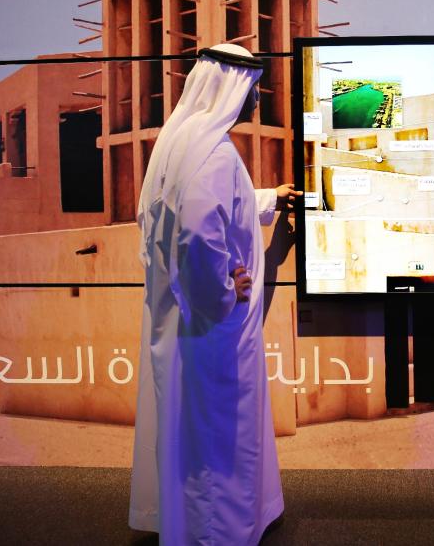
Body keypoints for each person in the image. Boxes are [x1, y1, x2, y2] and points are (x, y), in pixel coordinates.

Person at [129, 43, 302, 544]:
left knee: (189, 430)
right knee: (217, 436)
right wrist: (227, 291)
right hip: (211, 329)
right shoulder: (215, 154)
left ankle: (197, 522)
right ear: (229, 87)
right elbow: (200, 233)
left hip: (178, 322)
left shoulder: (180, 142)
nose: (254, 102)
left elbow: (212, 204)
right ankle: (218, 532)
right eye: (250, 91)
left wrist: (268, 200)